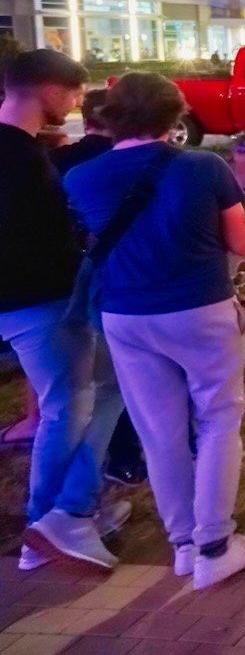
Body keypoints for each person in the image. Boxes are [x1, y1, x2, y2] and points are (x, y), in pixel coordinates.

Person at [65, 72, 245, 587]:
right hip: (199, 309)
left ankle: (184, 545)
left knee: (159, 433)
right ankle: (215, 544)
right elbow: (240, 242)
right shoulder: (203, 167)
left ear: (112, 115)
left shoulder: (81, 178)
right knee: (218, 419)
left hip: (125, 316)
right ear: (174, 113)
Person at [0, 50, 128, 571]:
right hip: (41, 301)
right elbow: (39, 237)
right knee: (68, 409)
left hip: (34, 300)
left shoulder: (26, 151)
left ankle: (74, 509)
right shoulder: (21, 160)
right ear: (50, 90)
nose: (76, 103)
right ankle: (49, 527)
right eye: (73, 93)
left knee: (106, 389)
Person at [51, 89, 146, 488]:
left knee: (81, 383)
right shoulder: (126, 163)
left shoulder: (56, 161)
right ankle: (123, 456)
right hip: (120, 280)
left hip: (67, 278)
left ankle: (118, 456)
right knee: (118, 378)